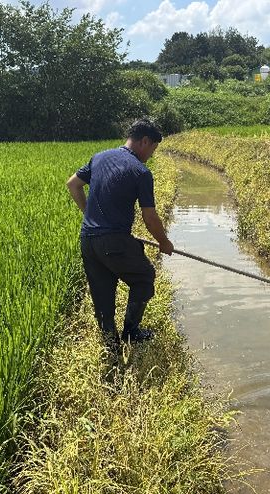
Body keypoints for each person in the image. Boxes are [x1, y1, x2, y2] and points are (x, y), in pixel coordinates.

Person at [66, 119, 174, 356]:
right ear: (144, 141)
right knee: (144, 277)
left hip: (88, 239)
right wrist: (164, 242)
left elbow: (73, 185)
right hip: (113, 241)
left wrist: (90, 215)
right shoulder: (140, 171)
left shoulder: (99, 157)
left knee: (101, 291)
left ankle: (110, 344)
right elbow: (149, 217)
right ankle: (131, 332)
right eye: (153, 148)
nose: (151, 155)